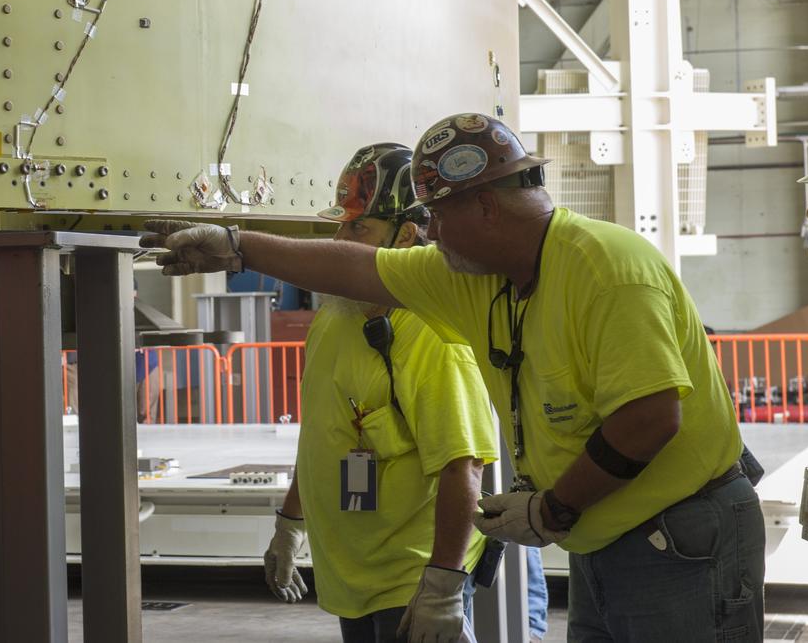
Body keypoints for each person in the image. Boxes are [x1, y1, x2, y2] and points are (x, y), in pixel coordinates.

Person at [144, 112, 764, 641]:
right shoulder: (482, 279)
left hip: (681, 539)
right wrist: (236, 245)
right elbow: (358, 268)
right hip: (605, 541)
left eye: (437, 216)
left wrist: (551, 509)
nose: (429, 233)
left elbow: (650, 419)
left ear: (487, 207)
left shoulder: (607, 268)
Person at [264, 144, 497, 643]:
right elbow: (323, 436)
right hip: (351, 576)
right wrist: (289, 522)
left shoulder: (432, 334)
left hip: (411, 580)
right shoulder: (332, 317)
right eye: (340, 226)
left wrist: (442, 586)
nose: (339, 241)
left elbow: (464, 467)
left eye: (357, 228)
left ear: (405, 235)